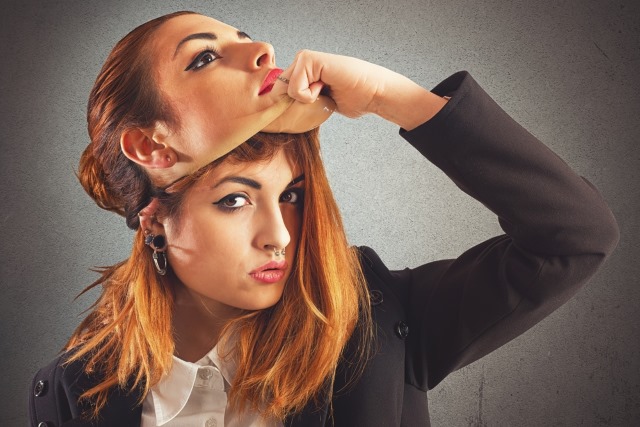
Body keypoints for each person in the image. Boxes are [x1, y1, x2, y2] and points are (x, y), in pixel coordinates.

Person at [28, 10, 619, 427]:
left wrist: (393, 96)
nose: (281, 235)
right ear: (153, 204)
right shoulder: (73, 391)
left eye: (293, 194)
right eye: (234, 200)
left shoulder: (382, 319)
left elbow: (575, 235)